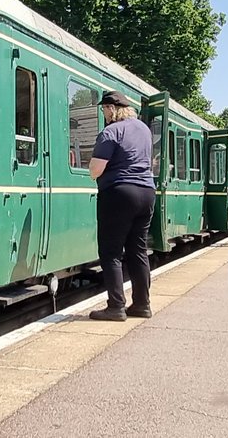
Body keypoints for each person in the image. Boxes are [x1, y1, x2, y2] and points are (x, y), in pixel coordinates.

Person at [87, 91, 157, 322]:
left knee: (111, 252)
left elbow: (96, 169)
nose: (104, 114)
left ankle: (116, 306)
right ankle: (142, 304)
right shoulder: (144, 130)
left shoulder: (111, 131)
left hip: (119, 192)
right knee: (138, 251)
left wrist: (92, 170)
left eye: (104, 110)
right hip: (146, 192)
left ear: (111, 108)